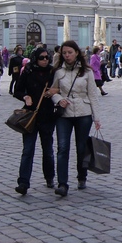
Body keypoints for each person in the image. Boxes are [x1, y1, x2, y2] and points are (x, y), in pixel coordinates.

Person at [49, 41, 101, 197]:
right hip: (64, 114)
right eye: (64, 53)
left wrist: (96, 117)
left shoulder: (86, 72)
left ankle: (82, 176)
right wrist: (58, 99)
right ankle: (62, 184)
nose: (67, 55)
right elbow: (52, 91)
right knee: (62, 148)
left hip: (83, 113)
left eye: (70, 52)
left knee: (81, 148)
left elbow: (93, 95)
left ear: (77, 53)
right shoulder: (58, 71)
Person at [12, 46, 57, 195]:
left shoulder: (52, 72)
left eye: (47, 57)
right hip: (30, 116)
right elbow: (17, 90)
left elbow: (60, 88)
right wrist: (25, 96)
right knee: (28, 150)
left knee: (48, 150)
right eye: (41, 58)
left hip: (47, 116)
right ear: (35, 59)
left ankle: (49, 177)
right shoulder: (29, 71)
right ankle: (23, 182)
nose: (45, 60)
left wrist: (53, 92)